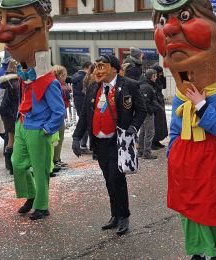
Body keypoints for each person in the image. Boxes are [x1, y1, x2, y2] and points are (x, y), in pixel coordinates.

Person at [152, 0, 216, 259]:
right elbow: (175, 128)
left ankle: (215, 247)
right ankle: (198, 250)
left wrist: (201, 104)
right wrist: (172, 151)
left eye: (184, 16)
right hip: (183, 158)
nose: (168, 30)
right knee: (187, 208)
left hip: (209, 158)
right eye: (162, 22)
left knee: (210, 206)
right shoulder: (179, 92)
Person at [0, 0, 66, 220]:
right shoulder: (27, 76)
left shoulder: (50, 82)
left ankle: (42, 206)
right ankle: (30, 194)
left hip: (38, 128)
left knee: (40, 168)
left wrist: (47, 129)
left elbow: (59, 111)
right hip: (23, 123)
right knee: (17, 163)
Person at [72, 54, 147, 235]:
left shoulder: (128, 85)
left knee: (116, 179)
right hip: (100, 142)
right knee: (108, 180)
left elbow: (141, 110)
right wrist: (76, 137)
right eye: (96, 67)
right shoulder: (93, 87)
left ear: (113, 68)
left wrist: (133, 127)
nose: (97, 71)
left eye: (101, 66)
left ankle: (124, 216)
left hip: (118, 141)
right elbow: (84, 114)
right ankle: (115, 215)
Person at [0, 59, 19, 175]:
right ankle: (12, 167)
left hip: (6, 114)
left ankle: (9, 165)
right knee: (13, 139)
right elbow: (16, 101)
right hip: (12, 114)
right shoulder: (14, 82)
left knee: (9, 138)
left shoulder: (4, 81)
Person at [52, 65, 70, 171]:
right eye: (64, 75)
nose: (65, 77)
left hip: (60, 114)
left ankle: (57, 158)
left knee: (60, 138)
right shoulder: (57, 84)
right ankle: (55, 160)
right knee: (57, 138)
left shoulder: (60, 84)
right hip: (57, 116)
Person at [138, 69, 158, 159]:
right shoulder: (147, 87)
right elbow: (145, 100)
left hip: (142, 113)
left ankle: (141, 151)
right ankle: (146, 152)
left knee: (142, 132)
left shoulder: (144, 85)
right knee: (149, 132)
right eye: (155, 76)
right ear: (151, 76)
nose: (156, 78)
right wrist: (151, 109)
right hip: (147, 113)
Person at [72, 61, 92, 152]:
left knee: (82, 121)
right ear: (87, 67)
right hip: (84, 102)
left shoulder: (75, 76)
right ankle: (83, 145)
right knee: (86, 122)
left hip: (78, 102)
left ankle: (82, 144)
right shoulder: (84, 77)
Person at [150, 64, 168, 149]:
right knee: (155, 122)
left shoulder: (159, 79)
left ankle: (157, 140)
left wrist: (162, 77)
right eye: (159, 73)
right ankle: (152, 141)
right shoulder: (151, 79)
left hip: (160, 101)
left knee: (160, 122)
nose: (160, 74)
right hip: (155, 102)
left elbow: (163, 86)